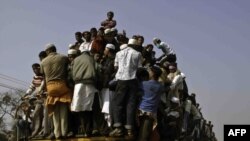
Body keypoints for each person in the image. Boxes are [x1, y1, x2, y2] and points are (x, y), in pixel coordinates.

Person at [109, 42, 142, 137]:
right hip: (133, 81)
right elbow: (139, 69)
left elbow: (115, 67)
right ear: (134, 45)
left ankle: (118, 128)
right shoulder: (137, 53)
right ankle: (130, 131)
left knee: (117, 103)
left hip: (121, 80)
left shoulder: (119, 53)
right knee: (130, 105)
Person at [40, 44, 72, 139]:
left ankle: (57, 133)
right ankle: (64, 132)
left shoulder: (43, 61)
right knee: (63, 110)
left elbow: (44, 77)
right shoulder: (63, 57)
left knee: (54, 112)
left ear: (48, 51)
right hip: (62, 85)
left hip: (50, 87)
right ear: (54, 49)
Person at [71, 48, 98, 137]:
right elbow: (96, 70)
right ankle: (90, 129)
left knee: (80, 108)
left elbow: (72, 73)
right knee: (89, 108)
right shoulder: (91, 59)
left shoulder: (75, 59)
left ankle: (85, 130)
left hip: (78, 85)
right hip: (89, 84)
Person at [137, 66, 164, 141]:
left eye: (149, 71)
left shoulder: (143, 84)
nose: (148, 72)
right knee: (144, 136)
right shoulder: (160, 86)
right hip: (151, 114)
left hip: (140, 111)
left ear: (152, 73)